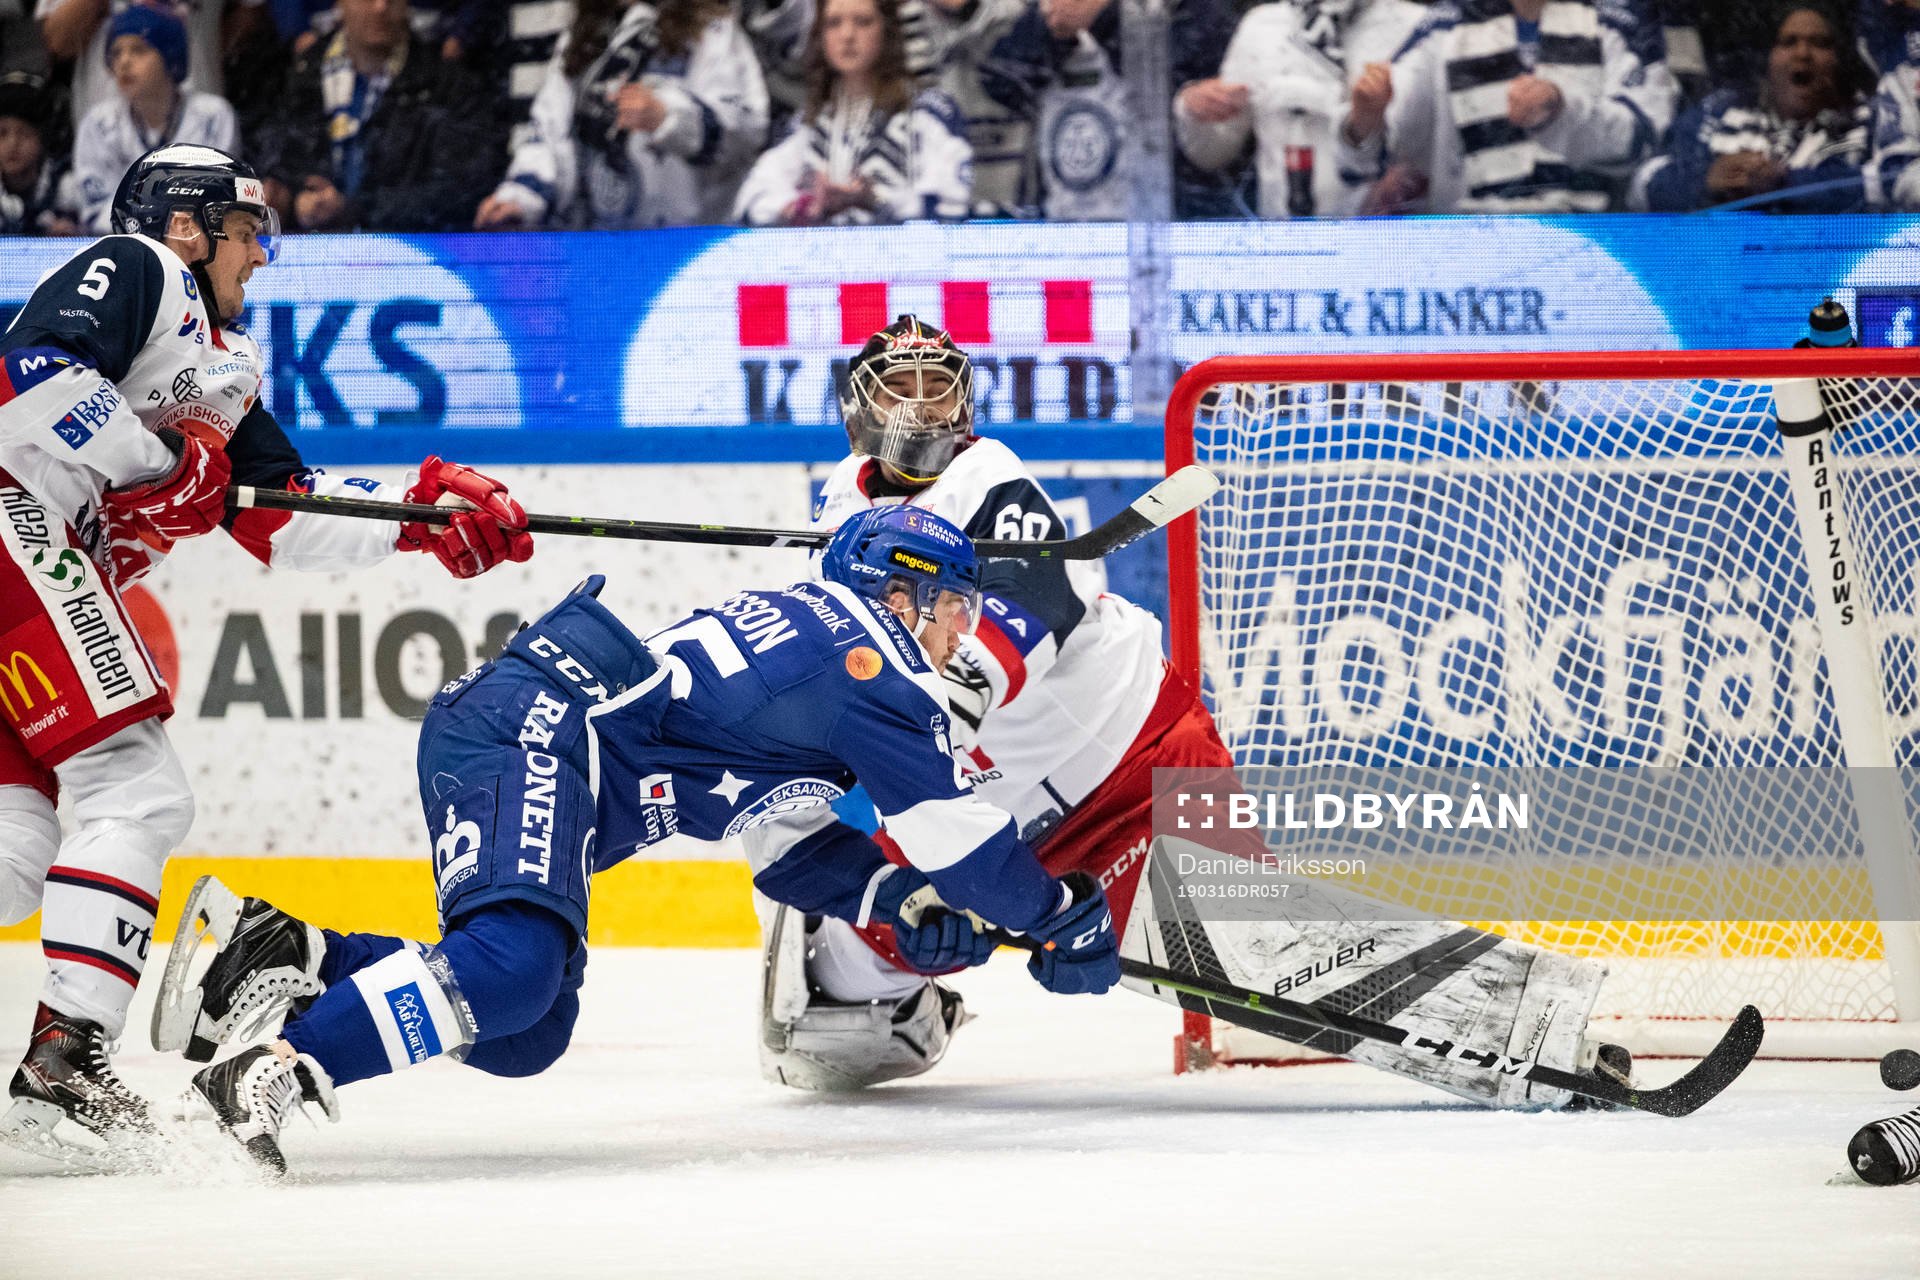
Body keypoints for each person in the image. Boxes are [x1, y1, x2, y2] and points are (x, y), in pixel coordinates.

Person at [782, 314, 1636, 1110]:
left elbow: (1051, 587)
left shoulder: (984, 474)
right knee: (841, 966)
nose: (925, 406)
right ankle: (905, 1022)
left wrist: (955, 692)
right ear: (860, 407)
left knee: (1263, 944)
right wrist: (894, 890)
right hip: (995, 811)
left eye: (941, 388)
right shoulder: (828, 516)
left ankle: (1539, 1032)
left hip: (1132, 751)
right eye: (903, 389)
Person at [151, 506, 1121, 1174]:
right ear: (904, 592)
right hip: (537, 729)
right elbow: (966, 847)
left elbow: (794, 848)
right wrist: (1056, 912)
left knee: (527, 1030)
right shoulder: (872, 661)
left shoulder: (822, 652)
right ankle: (273, 1068)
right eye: (957, 603)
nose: (965, 628)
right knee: (511, 973)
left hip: (524, 732)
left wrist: (897, 904)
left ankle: (282, 951)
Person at [0, 143, 534, 1168]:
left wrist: (424, 519)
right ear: (188, 227)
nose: (259, 252)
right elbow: (31, 374)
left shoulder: (219, 366)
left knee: (21, 838)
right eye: (244, 230)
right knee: (136, 789)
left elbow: (281, 512)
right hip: (18, 523)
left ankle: (60, 1062)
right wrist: (155, 468)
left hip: (31, 555)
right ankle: (61, 1066)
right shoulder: (142, 269)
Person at [1331, 0, 1677, 212]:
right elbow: (1384, 142)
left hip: (1604, 251)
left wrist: (1562, 110)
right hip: (1476, 253)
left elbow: (1647, 137)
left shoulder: (1620, 18)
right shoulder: (1445, 23)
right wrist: (1365, 118)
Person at [473, 0, 768, 229]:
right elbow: (550, 133)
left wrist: (670, 119)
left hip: (687, 257)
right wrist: (521, 199)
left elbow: (747, 131)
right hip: (597, 257)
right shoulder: (581, 36)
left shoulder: (712, 29)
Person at [250, 0, 505, 232]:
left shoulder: (447, 84)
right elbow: (277, 157)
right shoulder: (300, 77)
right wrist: (285, 195)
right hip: (311, 259)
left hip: (411, 257)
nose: (381, 6)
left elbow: (463, 190)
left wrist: (356, 209)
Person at [1172, 0, 1427, 219]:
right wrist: (1194, 108)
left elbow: (1439, 150)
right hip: (1284, 242)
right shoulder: (1263, 26)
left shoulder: (1415, 27)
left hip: (1388, 239)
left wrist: (1412, 172)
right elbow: (1213, 154)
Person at [733, 0, 968, 225]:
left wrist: (875, 201)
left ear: (887, 30)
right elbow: (752, 198)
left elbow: (951, 199)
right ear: (820, 34)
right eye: (834, 23)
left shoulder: (928, 111)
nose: (847, 35)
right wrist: (805, 207)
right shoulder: (810, 123)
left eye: (863, 22)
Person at [1633, 2, 1873, 210]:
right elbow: (1642, 185)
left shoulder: (1870, 119)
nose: (1803, 53)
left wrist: (1783, 184)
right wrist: (1706, 181)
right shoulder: (1719, 113)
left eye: (1820, 43)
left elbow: (1886, 187)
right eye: (1788, 42)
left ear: (1840, 57)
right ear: (1768, 57)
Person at [71, 3, 239, 232]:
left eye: (138, 50)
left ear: (170, 56)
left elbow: (221, 197)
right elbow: (96, 209)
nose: (124, 62)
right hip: (123, 246)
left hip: (195, 244)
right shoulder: (98, 124)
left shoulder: (213, 116)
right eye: (117, 53)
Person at [0, 70, 78, 234]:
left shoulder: (68, 187)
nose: (13, 145)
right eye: (2, 133)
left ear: (45, 139)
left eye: (25, 134)